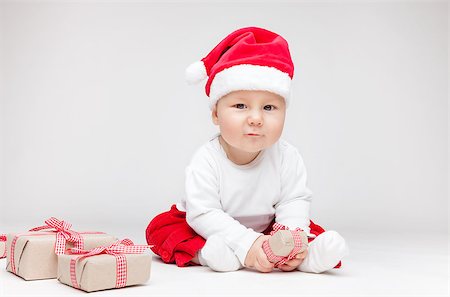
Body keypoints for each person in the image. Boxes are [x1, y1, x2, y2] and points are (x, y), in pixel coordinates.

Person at [146, 26, 349, 273]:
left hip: (268, 228)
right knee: (163, 230)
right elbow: (203, 213)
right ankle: (209, 255)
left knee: (303, 228)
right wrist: (248, 243)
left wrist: (291, 238)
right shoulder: (207, 160)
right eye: (240, 105)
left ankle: (306, 259)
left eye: (269, 108)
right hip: (211, 227)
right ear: (215, 114)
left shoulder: (287, 156)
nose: (255, 118)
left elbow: (294, 201)